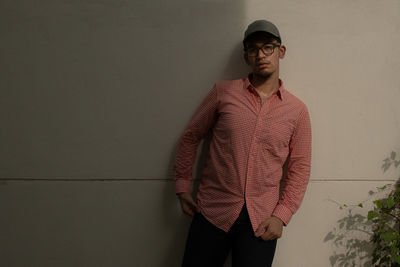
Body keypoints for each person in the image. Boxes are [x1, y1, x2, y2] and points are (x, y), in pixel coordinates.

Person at [173, 19, 312, 267]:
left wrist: (282, 216)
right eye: (253, 48)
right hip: (212, 212)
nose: (261, 54)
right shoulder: (223, 93)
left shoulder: (297, 111)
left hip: (261, 222)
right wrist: (183, 186)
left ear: (281, 52)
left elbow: (300, 168)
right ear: (246, 56)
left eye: (268, 47)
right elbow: (191, 136)